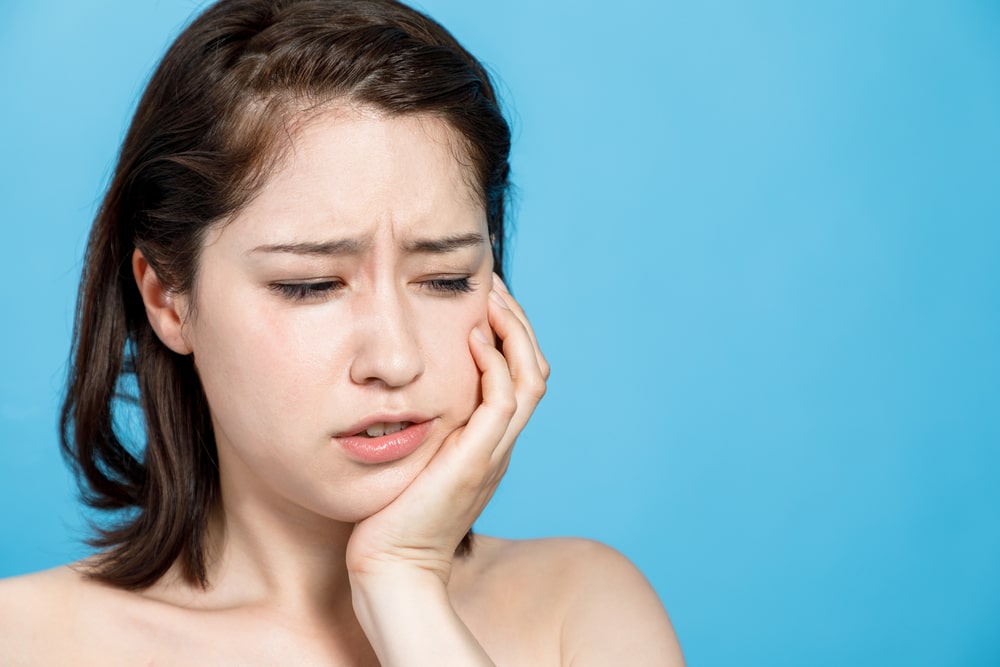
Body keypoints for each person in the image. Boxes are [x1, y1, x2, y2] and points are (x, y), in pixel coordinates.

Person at [0, 0, 684, 663]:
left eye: (445, 277)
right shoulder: (24, 639)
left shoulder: (582, 606)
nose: (394, 357)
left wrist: (403, 582)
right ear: (167, 298)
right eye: (311, 285)